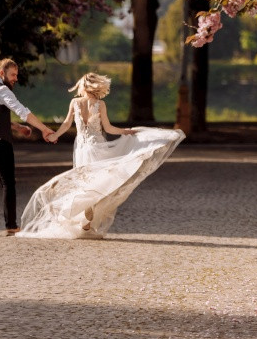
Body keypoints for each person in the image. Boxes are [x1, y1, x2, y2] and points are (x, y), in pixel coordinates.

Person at [16, 72, 185, 240]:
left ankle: (86, 212)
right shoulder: (100, 104)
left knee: (84, 182)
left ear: (84, 86)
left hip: (82, 148)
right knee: (101, 181)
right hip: (97, 147)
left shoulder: (75, 102)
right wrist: (125, 132)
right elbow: (109, 128)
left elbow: (67, 123)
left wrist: (54, 136)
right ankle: (90, 210)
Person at [0, 57, 54, 238]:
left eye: (16, 75)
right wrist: (44, 129)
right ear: (2, 73)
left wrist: (18, 128)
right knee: (8, 183)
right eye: (13, 75)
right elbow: (22, 111)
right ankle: (11, 225)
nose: (15, 78)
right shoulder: (3, 90)